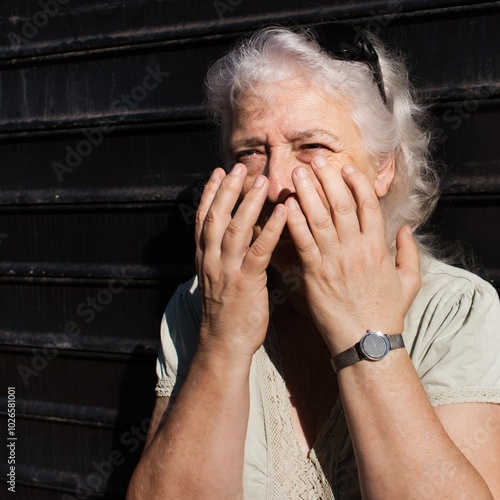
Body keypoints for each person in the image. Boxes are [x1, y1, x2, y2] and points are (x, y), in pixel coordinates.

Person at [127, 22, 500, 499]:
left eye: (312, 146)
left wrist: (366, 330)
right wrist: (222, 341)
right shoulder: (202, 306)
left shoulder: (455, 312)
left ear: (383, 165)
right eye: (252, 152)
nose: (279, 179)